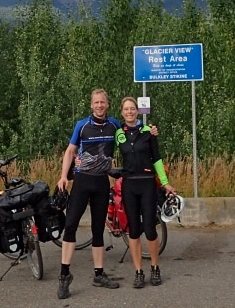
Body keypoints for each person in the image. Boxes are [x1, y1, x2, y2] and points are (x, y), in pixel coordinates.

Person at [55, 89, 157, 299]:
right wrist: (64, 175)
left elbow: (133, 131)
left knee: (98, 230)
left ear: (107, 105)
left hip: (102, 182)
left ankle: (99, 274)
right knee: (71, 225)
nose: (99, 105)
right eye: (96, 103)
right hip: (82, 180)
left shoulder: (114, 125)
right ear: (91, 105)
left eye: (103, 102)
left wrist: (151, 130)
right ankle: (64, 275)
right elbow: (70, 150)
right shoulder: (82, 125)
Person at [114, 96, 176, 288]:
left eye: (133, 109)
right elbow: (104, 152)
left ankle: (155, 268)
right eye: (126, 109)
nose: (130, 112)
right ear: (122, 112)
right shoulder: (118, 133)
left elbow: (156, 159)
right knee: (133, 231)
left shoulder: (149, 132)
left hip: (148, 184)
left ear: (137, 111)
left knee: (149, 229)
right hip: (129, 186)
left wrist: (165, 183)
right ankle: (138, 271)